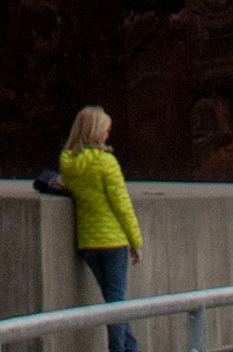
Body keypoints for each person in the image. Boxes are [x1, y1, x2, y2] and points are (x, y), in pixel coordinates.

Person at [62, 106, 147, 352]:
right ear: (95, 131)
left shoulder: (69, 164)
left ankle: (131, 349)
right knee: (117, 304)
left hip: (88, 242)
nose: (108, 135)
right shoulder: (106, 162)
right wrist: (136, 241)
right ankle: (118, 349)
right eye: (106, 130)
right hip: (113, 241)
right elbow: (122, 205)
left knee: (113, 301)